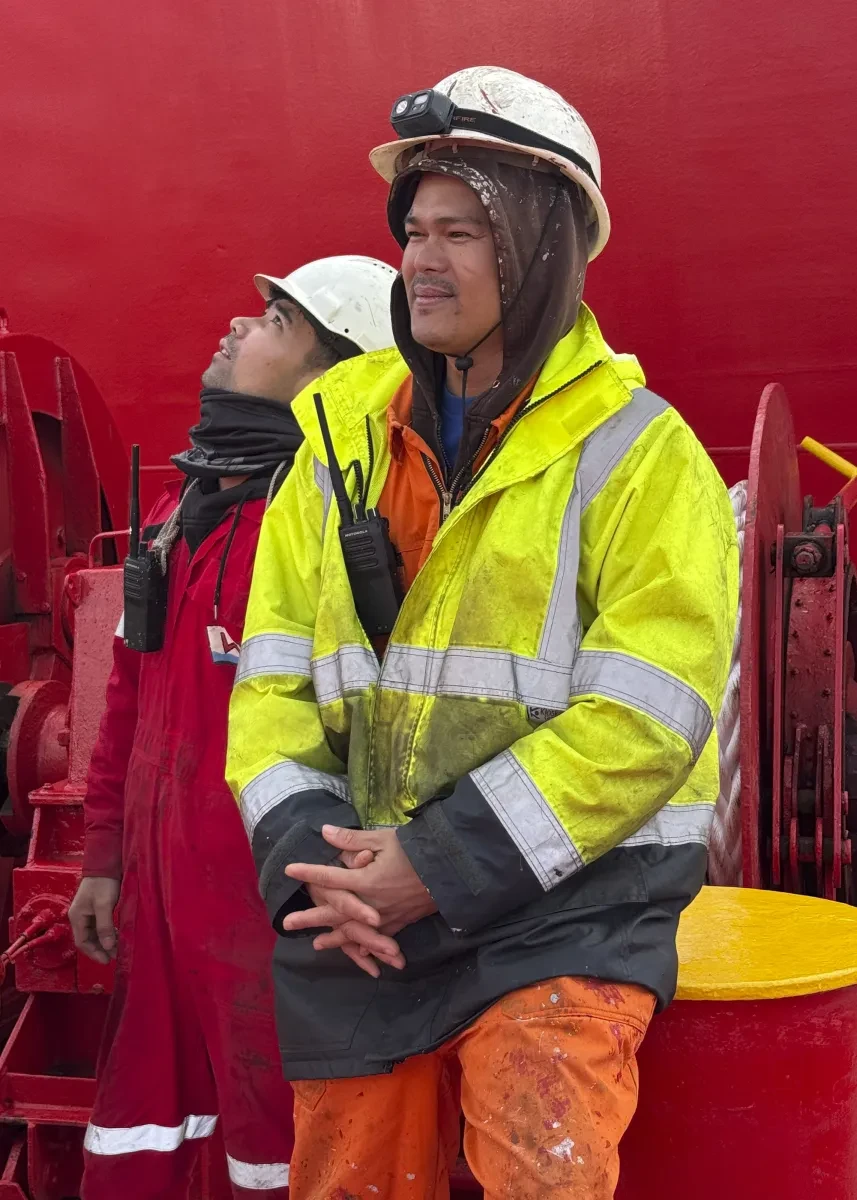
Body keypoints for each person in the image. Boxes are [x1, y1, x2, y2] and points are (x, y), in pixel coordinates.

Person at [228, 67, 738, 1200]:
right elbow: (270, 685)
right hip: (358, 914)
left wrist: (436, 867)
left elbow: (644, 721)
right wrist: (325, 870)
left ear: (543, 245)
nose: (421, 259)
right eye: (413, 230)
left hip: (565, 916)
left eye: (461, 230)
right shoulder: (337, 440)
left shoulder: (643, 458)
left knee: (536, 1171)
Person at [68, 255, 397, 1200]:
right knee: (147, 1138)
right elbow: (128, 700)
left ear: (329, 369)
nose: (238, 326)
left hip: (274, 920)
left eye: (274, 319)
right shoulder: (182, 511)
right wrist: (104, 855)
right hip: (163, 911)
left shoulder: (330, 536)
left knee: (274, 1157)